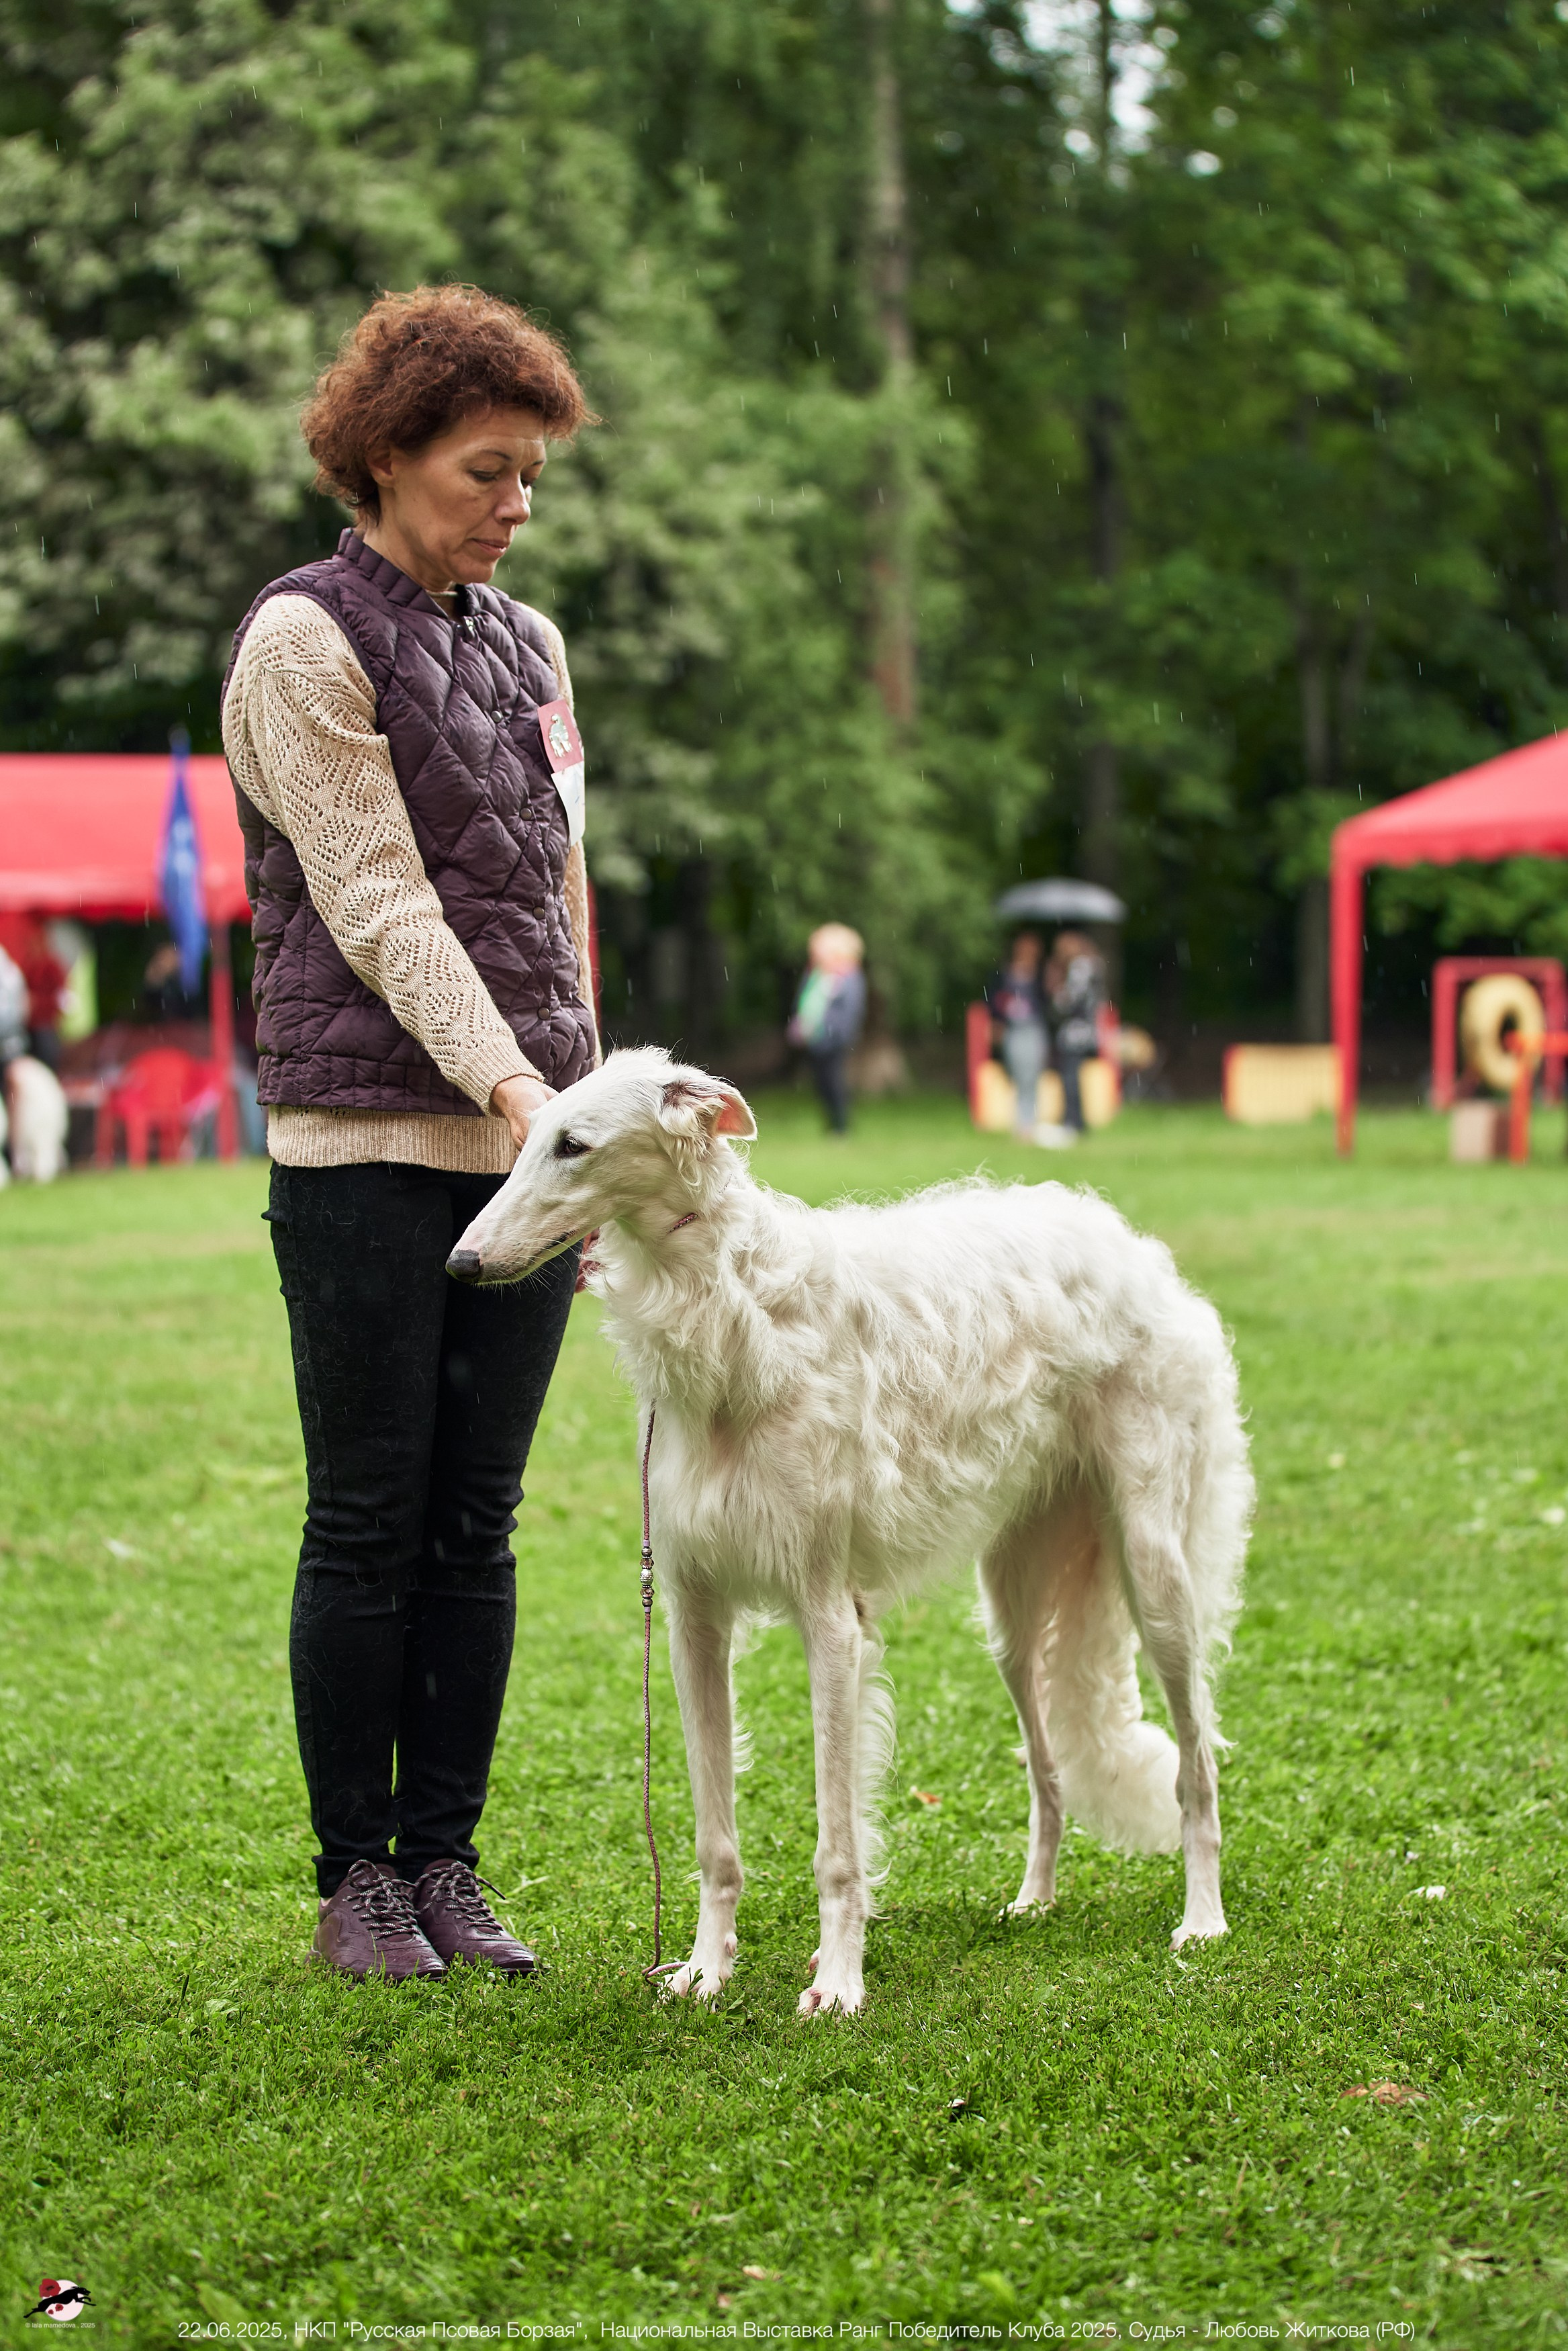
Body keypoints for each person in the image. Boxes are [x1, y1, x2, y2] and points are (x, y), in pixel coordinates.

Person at [221, 284, 600, 1983]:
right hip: (366, 1141)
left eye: (531, 479)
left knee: (479, 1522)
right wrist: (519, 1097)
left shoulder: (530, 646)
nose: (513, 507)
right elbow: (380, 901)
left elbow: (555, 888)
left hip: (537, 1146)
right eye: (483, 474)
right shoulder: (301, 643)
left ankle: (447, 1863)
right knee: (369, 1516)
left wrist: (591, 1097)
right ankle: (352, 1880)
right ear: (383, 460)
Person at [788, 923, 866, 1135]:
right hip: (815, 1037)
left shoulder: (848, 975)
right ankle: (831, 1123)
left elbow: (850, 1010)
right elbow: (805, 1002)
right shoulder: (815, 974)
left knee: (834, 1081)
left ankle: (841, 1126)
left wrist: (840, 1034)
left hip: (835, 1039)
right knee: (822, 1082)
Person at [986, 931, 1051, 1141]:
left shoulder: (1042, 975)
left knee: (1032, 1073)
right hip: (1012, 1029)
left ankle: (1029, 1123)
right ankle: (1019, 1120)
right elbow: (992, 1000)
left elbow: (1048, 1003)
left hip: (1033, 1028)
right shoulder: (1004, 974)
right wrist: (996, 1022)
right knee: (1016, 1072)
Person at [1046, 930, 1107, 1135]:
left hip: (1076, 1033)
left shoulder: (1080, 966)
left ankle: (1073, 1122)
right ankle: (1075, 1121)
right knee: (1073, 1076)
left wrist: (1055, 992)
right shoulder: (1093, 964)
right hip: (1086, 1030)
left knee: (1070, 1077)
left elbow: (1069, 1001)